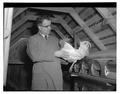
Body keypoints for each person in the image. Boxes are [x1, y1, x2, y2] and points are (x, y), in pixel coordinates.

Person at [26, 15, 63, 90]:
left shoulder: (55, 39)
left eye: (50, 25)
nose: (50, 28)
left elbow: (60, 56)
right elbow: (34, 56)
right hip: (41, 76)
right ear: (40, 27)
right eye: (47, 26)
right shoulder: (33, 39)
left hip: (56, 75)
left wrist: (71, 56)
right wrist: (55, 54)